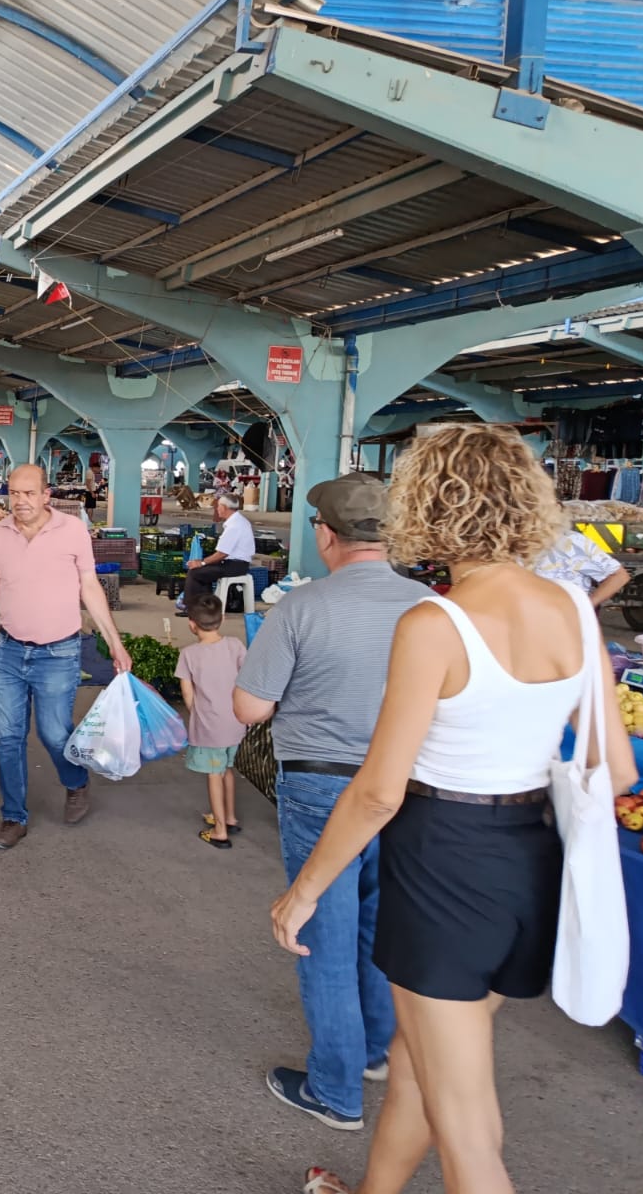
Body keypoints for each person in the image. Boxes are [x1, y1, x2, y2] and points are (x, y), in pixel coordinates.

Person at [270, 427, 637, 1194]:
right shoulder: (572, 608)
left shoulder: (436, 623)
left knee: (469, 1133)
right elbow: (618, 764)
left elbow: (378, 789)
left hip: (444, 866)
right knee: (416, 1062)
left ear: (428, 506)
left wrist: (304, 891)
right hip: (531, 862)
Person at [232, 472, 423, 1131]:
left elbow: (250, 706)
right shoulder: (429, 605)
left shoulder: (301, 608)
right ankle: (372, 1052)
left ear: (326, 535)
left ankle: (335, 1090)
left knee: (322, 933)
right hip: (402, 785)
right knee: (377, 924)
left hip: (320, 786)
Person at [0, 465, 131, 850]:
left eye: (28, 493)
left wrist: (114, 641)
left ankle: (76, 782)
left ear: (46, 495)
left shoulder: (73, 530)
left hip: (58, 653)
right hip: (8, 651)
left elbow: (90, 587)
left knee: (54, 732)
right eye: (14, 493)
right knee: (9, 738)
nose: (20, 501)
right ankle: (14, 816)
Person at [175, 595, 246, 849]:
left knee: (214, 775)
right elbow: (246, 679)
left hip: (210, 729)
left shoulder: (188, 654)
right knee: (227, 769)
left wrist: (197, 714)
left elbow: (187, 693)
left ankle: (219, 831)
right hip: (236, 723)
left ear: (191, 624)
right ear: (222, 619)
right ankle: (229, 816)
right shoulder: (236, 645)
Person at [182, 492, 255, 612]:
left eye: (218, 506)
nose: (217, 509)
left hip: (234, 565)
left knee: (195, 572)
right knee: (202, 572)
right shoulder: (239, 521)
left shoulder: (234, 526)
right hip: (236, 563)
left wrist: (202, 563)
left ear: (225, 508)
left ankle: (193, 608)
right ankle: (205, 606)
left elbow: (222, 554)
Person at [532, 527, 631, 607]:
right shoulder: (518, 545)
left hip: (562, 621)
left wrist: (585, 608)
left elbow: (618, 576)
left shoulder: (570, 541)